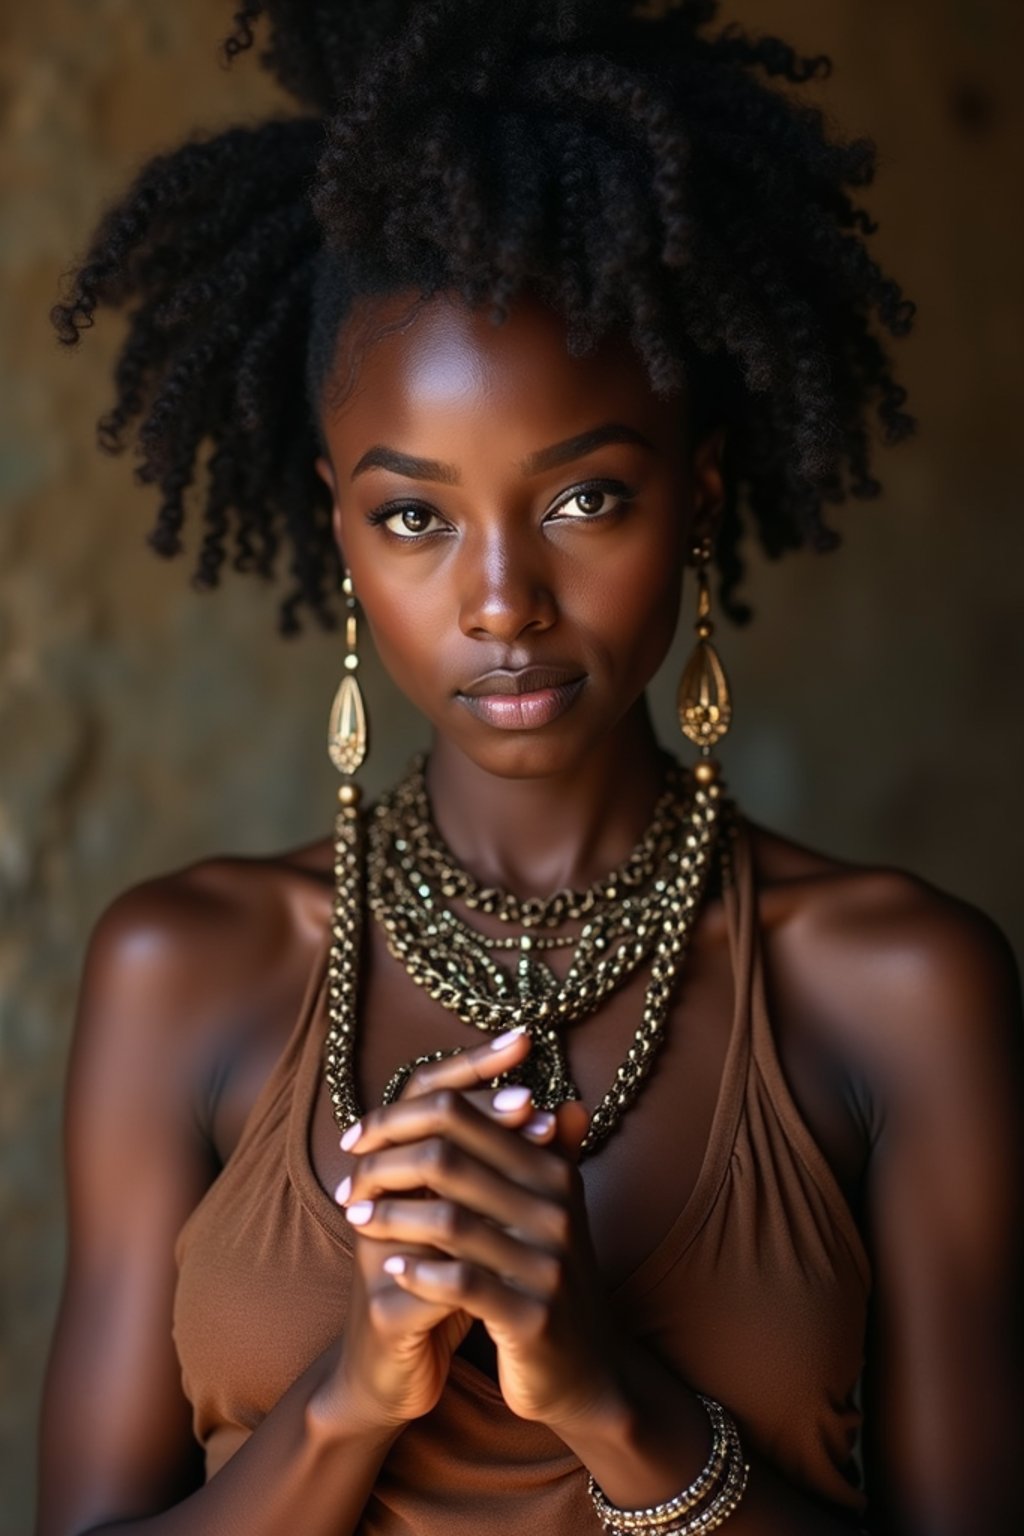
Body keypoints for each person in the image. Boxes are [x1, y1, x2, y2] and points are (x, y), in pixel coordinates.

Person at [37, 3, 1023, 1534]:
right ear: (338, 527)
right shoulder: (186, 972)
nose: (504, 600)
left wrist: (608, 1399)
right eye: (416, 516)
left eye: (586, 501)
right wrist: (357, 1389)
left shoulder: (897, 988)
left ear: (696, 499)